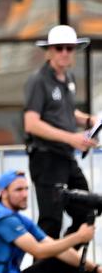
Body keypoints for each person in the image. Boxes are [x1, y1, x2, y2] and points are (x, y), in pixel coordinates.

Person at [24, 25, 98, 246]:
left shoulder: (68, 78)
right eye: (59, 48)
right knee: (51, 221)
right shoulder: (38, 80)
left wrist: (88, 120)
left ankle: (62, 263)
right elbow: (31, 123)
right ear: (49, 51)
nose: (64, 52)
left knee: (87, 211)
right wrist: (72, 138)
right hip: (47, 158)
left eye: (69, 48)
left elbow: (63, 112)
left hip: (65, 158)